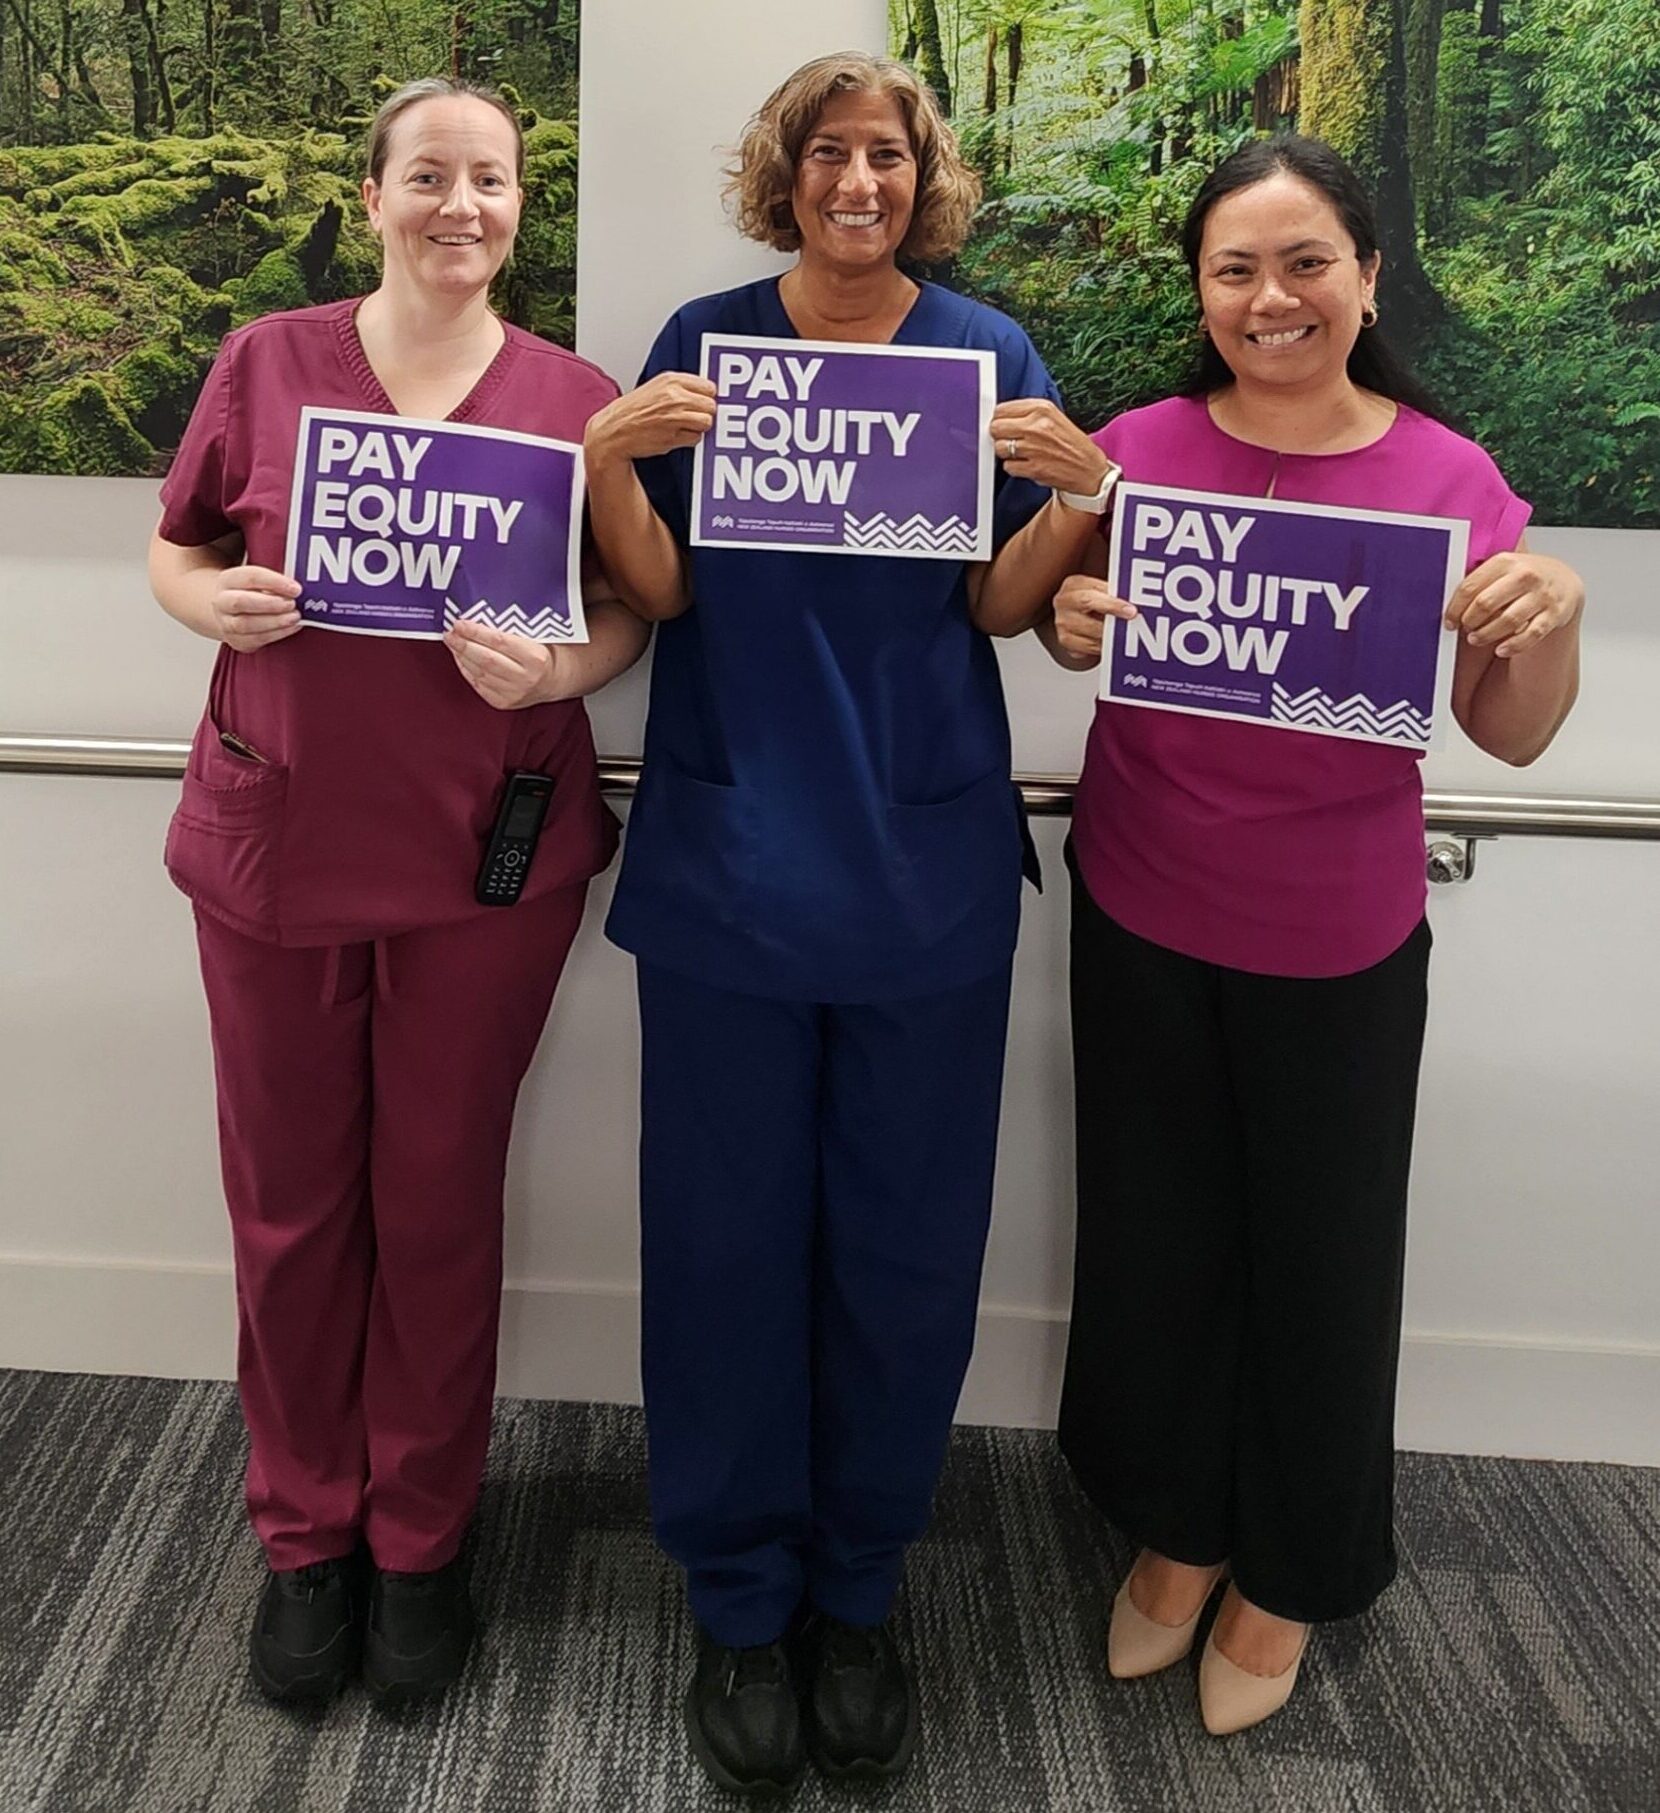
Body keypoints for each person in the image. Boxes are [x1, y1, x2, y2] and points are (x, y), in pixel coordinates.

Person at [978, 134, 1584, 1735]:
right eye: (1235, 269)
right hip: (1141, 903)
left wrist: (1555, 616)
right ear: (1202, 291)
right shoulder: (1139, 449)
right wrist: (1073, 615)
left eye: (1307, 262)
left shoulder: (1449, 476)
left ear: (1368, 278)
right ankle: (1176, 1525)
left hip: (1342, 934)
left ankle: (1292, 1570)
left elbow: (1513, 731)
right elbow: (1050, 612)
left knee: (1324, 1257)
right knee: (1157, 1234)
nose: (1272, 297)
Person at [582, 51, 1113, 1794]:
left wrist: (1079, 497)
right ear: (787, 174)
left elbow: (999, 605)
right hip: (734, 865)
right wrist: (606, 459)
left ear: (922, 175)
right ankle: (741, 1603)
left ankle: (862, 1589)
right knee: (723, 1245)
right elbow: (658, 590)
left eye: (887, 153)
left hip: (922, 875)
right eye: (829, 152)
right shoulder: (704, 342)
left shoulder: (987, 352)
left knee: (906, 1250)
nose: (859, 180)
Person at [147, 77, 648, 1710]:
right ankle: (306, 1535)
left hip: (484, 856)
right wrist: (211, 604)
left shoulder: (577, 399)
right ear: (372, 196)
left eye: (489, 178)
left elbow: (629, 610)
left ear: (519, 206)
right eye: (428, 174)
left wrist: (558, 670)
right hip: (276, 844)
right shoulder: (263, 363)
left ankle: (421, 1537)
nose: (461, 205)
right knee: (291, 1206)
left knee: (436, 1203)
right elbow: (177, 547)